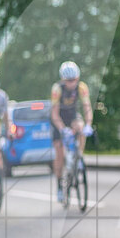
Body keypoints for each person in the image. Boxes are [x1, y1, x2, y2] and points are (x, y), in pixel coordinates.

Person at [51, 61, 94, 203]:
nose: (72, 83)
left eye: (75, 79)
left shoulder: (81, 87)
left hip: (72, 115)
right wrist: (63, 129)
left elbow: (87, 107)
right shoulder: (57, 89)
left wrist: (88, 124)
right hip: (58, 119)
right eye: (69, 80)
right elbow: (54, 114)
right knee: (60, 155)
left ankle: (79, 155)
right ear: (63, 80)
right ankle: (59, 186)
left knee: (81, 127)